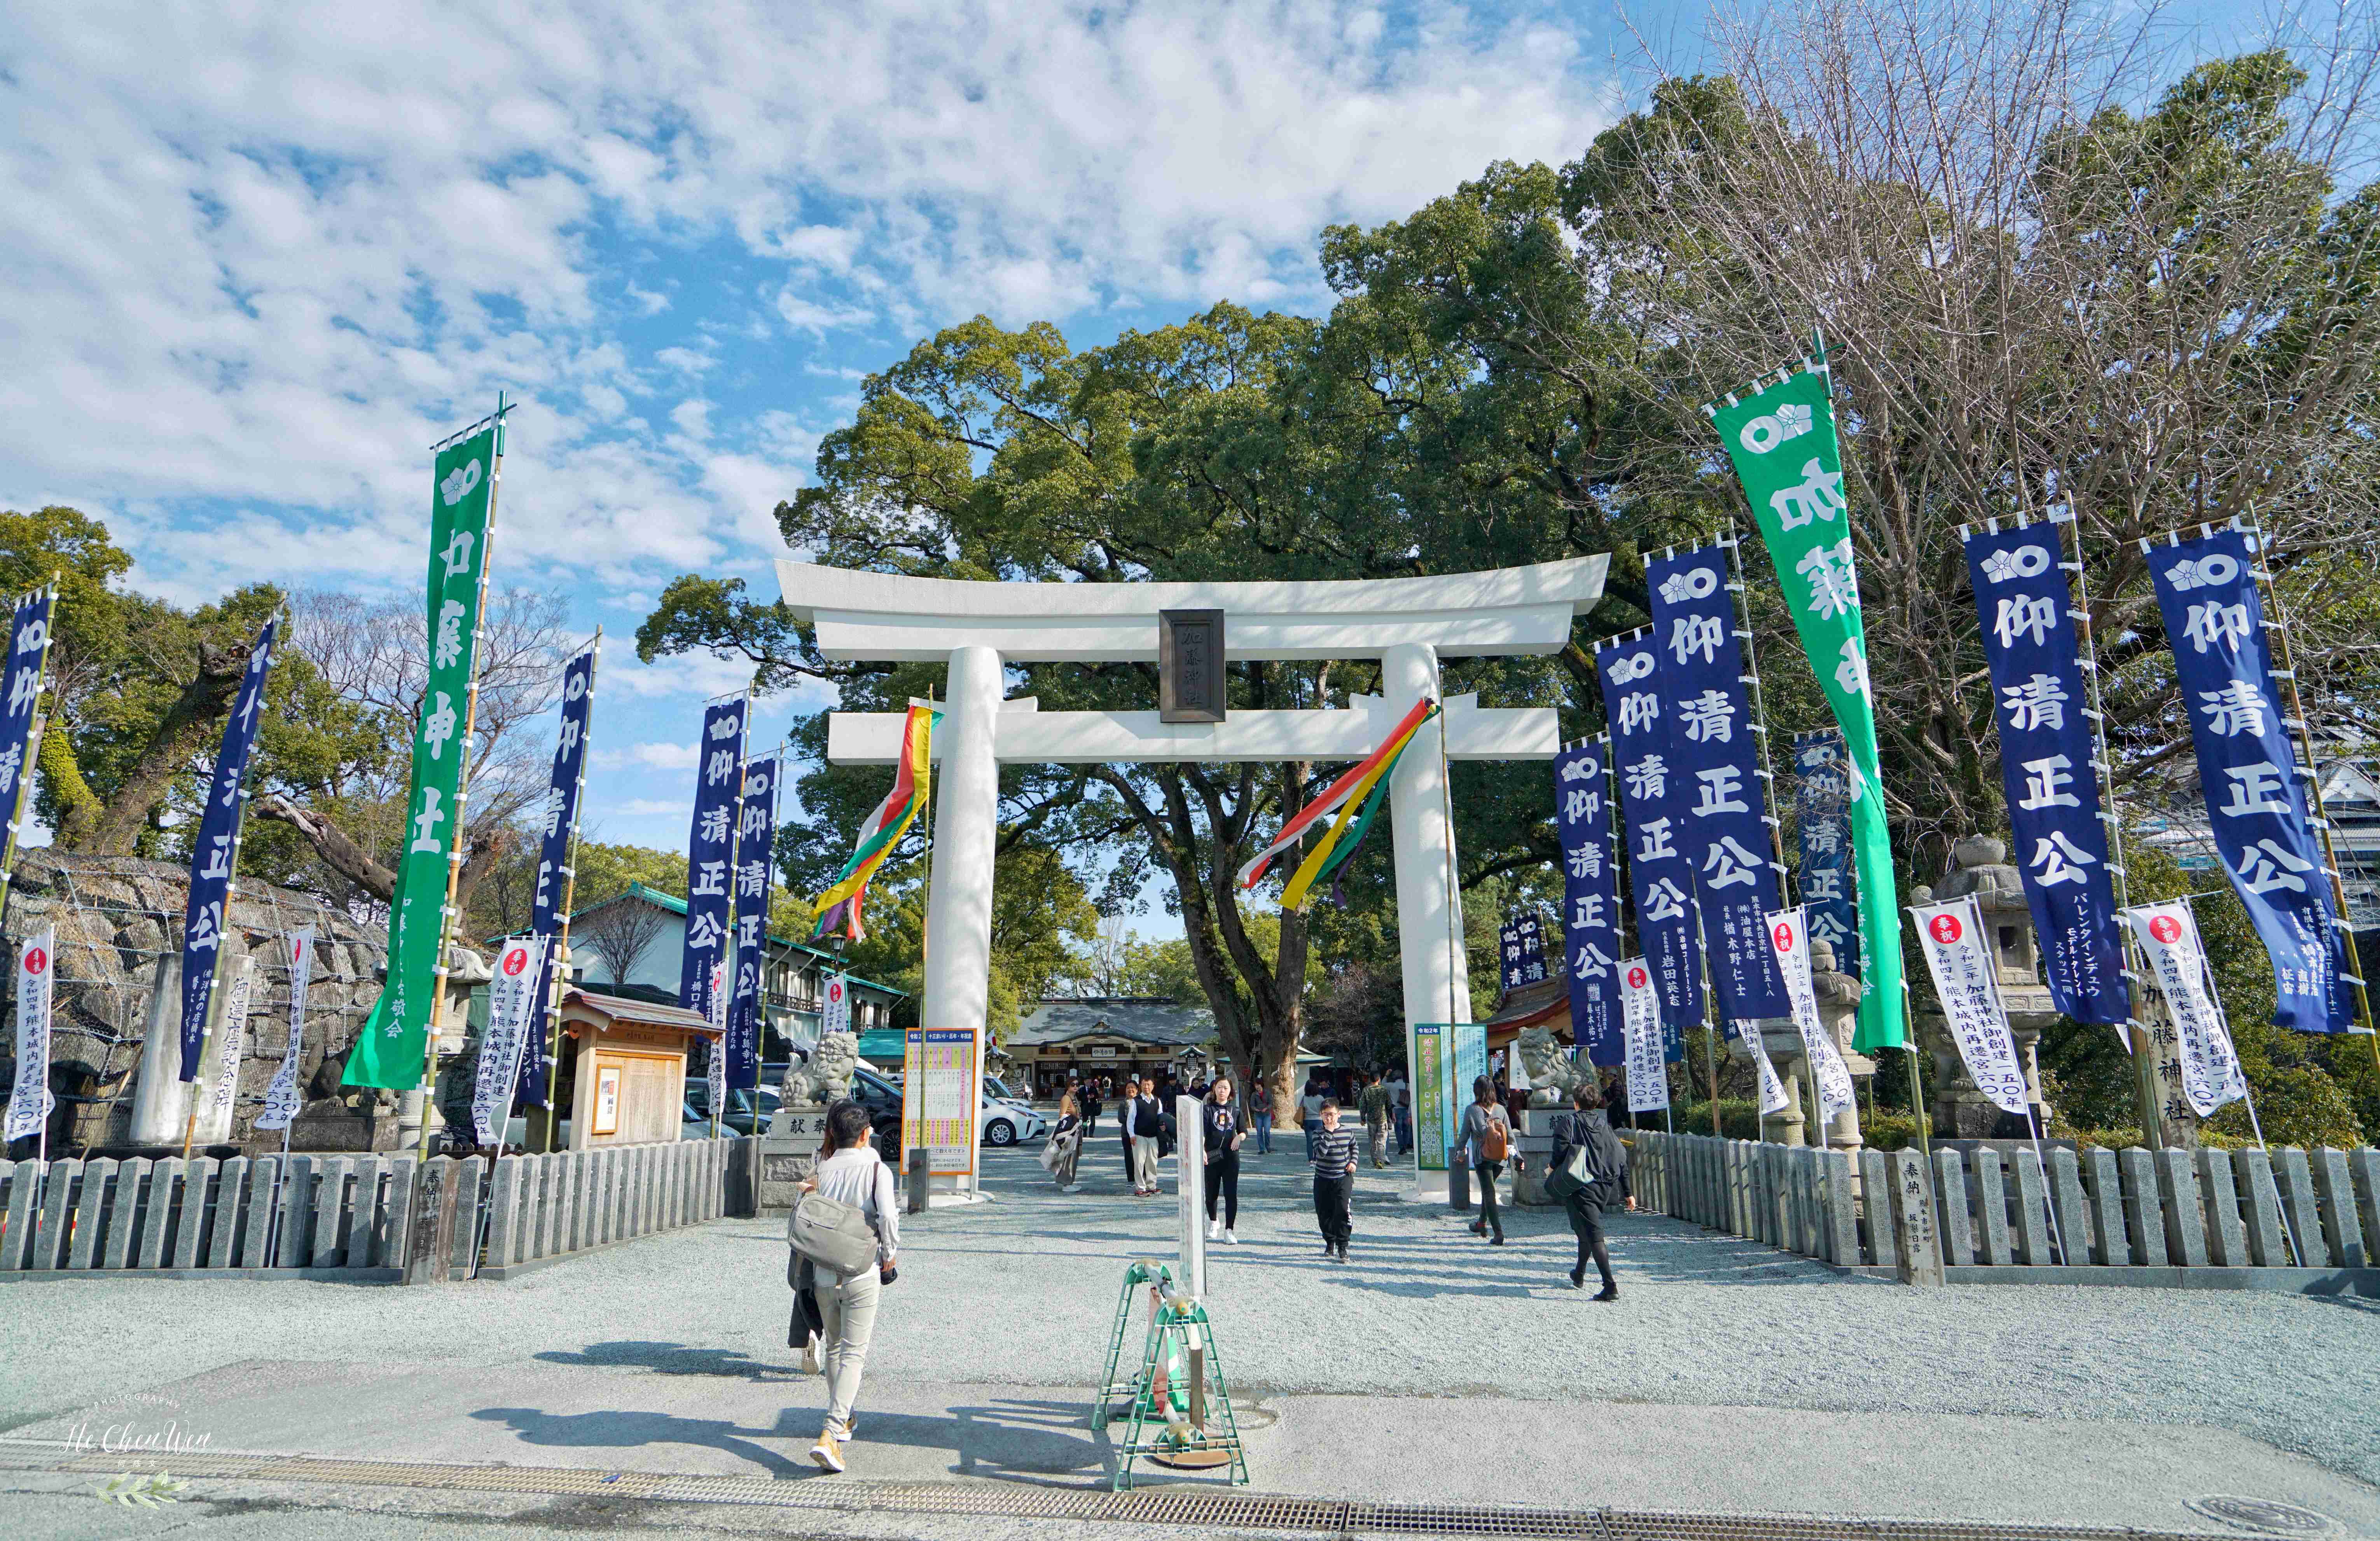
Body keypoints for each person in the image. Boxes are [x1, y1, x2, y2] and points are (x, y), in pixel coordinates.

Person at [799, 1099, 899, 1474]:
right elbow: (888, 1215)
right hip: (861, 1270)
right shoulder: (876, 1169)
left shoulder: (820, 1169)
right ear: (864, 1134)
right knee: (855, 1353)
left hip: (824, 1271)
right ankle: (831, 1432)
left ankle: (846, 1416)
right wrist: (890, 1253)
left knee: (836, 1347)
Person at [1550, 1080, 1632, 1298]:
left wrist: (1550, 1168)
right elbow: (1621, 1157)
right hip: (1604, 1187)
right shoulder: (1605, 1126)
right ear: (1596, 1103)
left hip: (1581, 1185)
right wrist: (1628, 1192)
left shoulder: (1569, 1122)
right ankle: (1579, 1274)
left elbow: (1559, 1150)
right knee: (1584, 1231)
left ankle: (1610, 1286)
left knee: (1594, 1236)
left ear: (1575, 1103)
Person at [1459, 1074, 1512, 1245]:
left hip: (1483, 1157)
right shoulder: (1501, 1109)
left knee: (1489, 1192)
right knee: (1488, 1191)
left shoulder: (1472, 1110)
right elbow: (1510, 1136)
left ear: (1476, 1091)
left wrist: (1458, 1151)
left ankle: (1499, 1233)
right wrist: (1517, 1157)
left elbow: (1464, 1136)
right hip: (1501, 1159)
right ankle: (1481, 1224)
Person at [1309, 1098, 1358, 1260]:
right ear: (1321, 1116)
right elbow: (1321, 1153)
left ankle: (1343, 1246)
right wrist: (1329, 1133)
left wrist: (1353, 1162)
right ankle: (1330, 1243)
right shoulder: (1317, 1134)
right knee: (1324, 1213)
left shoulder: (1348, 1131)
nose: (1329, 1119)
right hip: (1323, 1178)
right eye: (1325, 1115)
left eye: (1332, 1115)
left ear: (1339, 1114)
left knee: (1343, 1211)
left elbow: (1354, 1147)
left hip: (1343, 1177)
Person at [1201, 1077, 1246, 1243]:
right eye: (1219, 1088)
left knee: (1231, 1194)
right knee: (1211, 1193)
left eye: (1225, 1088)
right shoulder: (1207, 1110)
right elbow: (1203, 1133)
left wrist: (1239, 1138)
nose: (1222, 1091)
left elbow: (1244, 1131)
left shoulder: (1236, 1110)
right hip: (1212, 1156)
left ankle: (1229, 1230)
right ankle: (1213, 1222)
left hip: (1231, 1157)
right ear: (1214, 1090)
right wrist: (1202, 1150)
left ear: (1230, 1091)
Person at [1043, 1089, 1084, 1192]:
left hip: (1075, 1130)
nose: (1075, 1087)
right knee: (1068, 1157)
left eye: (1077, 1085)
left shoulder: (1074, 1098)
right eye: (1073, 1085)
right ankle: (1066, 1184)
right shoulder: (1066, 1098)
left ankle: (1069, 1182)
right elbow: (1062, 1115)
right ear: (1068, 1086)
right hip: (1069, 1132)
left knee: (1073, 1157)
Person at [1130, 1078, 1164, 1195]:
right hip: (1139, 1136)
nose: (1146, 1087)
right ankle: (1140, 1188)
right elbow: (1131, 1120)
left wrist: (1163, 1127)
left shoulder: (1157, 1101)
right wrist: (1132, 1135)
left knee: (1152, 1162)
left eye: (1149, 1085)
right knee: (1139, 1163)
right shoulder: (1136, 1101)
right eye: (1144, 1085)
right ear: (1141, 1086)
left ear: (1153, 1086)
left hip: (1154, 1136)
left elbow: (1161, 1117)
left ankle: (1152, 1185)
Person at [1358, 1072, 1393, 1168]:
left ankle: (1374, 1161)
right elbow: (1389, 1105)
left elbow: (1362, 1105)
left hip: (1371, 1120)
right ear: (1379, 1079)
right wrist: (1391, 1116)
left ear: (1370, 1079)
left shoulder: (1366, 1090)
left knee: (1372, 1141)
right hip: (1382, 1119)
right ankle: (1380, 1160)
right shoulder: (1384, 1090)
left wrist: (1362, 1118)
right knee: (1381, 1141)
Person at [1299, 1080, 1326, 1160]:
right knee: (1318, 1141)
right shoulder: (1321, 1098)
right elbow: (1324, 1110)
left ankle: (1311, 1160)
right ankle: (1317, 1158)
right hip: (1318, 1121)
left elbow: (1301, 1109)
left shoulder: (1304, 1098)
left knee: (1309, 1141)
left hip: (1307, 1121)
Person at [1250, 1079, 1273, 1154]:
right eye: (1256, 1085)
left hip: (1267, 1114)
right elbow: (1252, 1105)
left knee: (1267, 1132)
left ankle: (1268, 1146)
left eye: (1258, 1085)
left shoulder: (1268, 1093)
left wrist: (1266, 1108)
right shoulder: (1254, 1094)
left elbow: (1271, 1103)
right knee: (1259, 1132)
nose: (1257, 1087)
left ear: (1261, 1085)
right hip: (1258, 1115)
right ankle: (1262, 1149)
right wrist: (1255, 1109)